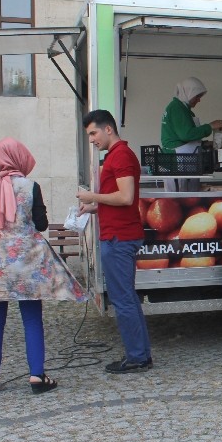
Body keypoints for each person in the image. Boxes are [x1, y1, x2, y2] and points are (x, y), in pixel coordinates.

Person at [0, 137, 87, 393]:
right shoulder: (31, 186)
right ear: (19, 157)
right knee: (32, 318)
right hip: (27, 261)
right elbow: (41, 224)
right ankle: (36, 376)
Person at [77, 110, 153, 374]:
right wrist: (94, 208)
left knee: (123, 300)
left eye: (93, 133)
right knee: (126, 298)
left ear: (108, 129)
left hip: (120, 238)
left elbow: (125, 197)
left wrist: (93, 196)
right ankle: (140, 354)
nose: (92, 139)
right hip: (118, 234)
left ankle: (137, 357)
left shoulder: (120, 155)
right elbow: (120, 200)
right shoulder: (117, 155)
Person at [161, 77, 222, 153]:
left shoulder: (182, 108)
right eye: (197, 96)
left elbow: (184, 136)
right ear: (189, 93)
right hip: (176, 157)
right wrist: (210, 126)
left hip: (180, 154)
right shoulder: (177, 108)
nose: (199, 100)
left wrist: (203, 144)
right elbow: (186, 135)